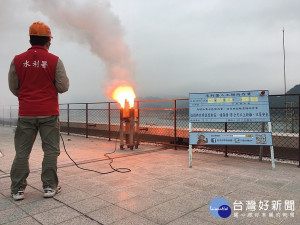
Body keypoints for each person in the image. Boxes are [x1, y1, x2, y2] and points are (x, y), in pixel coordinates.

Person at [8, 21, 69, 200]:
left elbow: (14, 87)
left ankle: (17, 190)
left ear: (30, 40)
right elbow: (63, 86)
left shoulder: (17, 60)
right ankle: (49, 187)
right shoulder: (54, 60)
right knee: (50, 151)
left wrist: (27, 96)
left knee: (22, 152)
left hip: (26, 113)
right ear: (48, 41)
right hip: (49, 113)